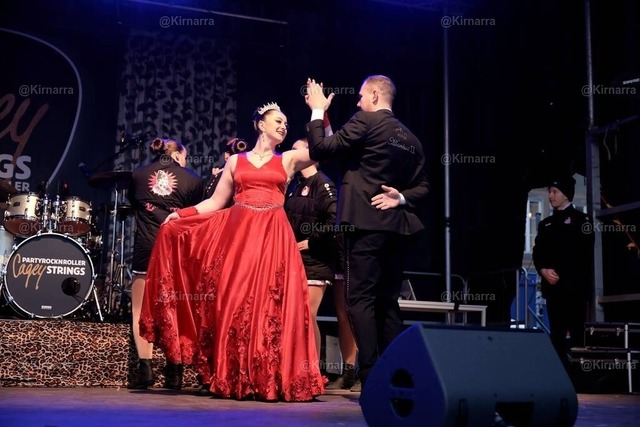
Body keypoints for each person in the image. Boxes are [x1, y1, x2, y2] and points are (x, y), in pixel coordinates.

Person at [139, 102, 324, 401]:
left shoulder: (288, 159)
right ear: (261, 125)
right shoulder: (236, 161)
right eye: (278, 121)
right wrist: (182, 214)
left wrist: (318, 112)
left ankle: (269, 378)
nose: (283, 126)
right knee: (236, 302)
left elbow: (323, 149)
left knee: (271, 305)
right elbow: (215, 202)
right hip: (240, 239)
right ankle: (235, 376)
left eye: (286, 124)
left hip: (273, 238)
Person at [304, 75, 430, 390]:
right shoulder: (411, 139)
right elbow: (424, 186)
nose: (358, 103)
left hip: (364, 225)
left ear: (374, 95)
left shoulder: (367, 120)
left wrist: (316, 109)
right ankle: (395, 375)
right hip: (396, 229)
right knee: (387, 302)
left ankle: (371, 376)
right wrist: (401, 197)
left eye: (361, 96)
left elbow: (319, 150)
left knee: (358, 299)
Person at [126, 137, 203, 389]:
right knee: (176, 310)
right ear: (178, 155)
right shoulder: (193, 180)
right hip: (176, 252)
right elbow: (197, 214)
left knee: (139, 309)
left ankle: (145, 369)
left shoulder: (138, 175)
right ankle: (174, 371)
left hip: (146, 249)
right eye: (185, 156)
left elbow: (135, 203)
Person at [284, 137, 359, 392]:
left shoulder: (324, 184)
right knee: (299, 315)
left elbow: (334, 220)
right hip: (296, 259)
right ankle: (299, 371)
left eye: (296, 150)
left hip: (318, 259)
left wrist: (311, 241)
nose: (292, 155)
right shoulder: (294, 186)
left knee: (310, 314)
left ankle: (314, 372)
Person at [532, 176, 593, 369]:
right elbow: (538, 251)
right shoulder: (546, 224)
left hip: (574, 289)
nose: (550, 196)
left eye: (554, 192)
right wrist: (543, 270)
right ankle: (559, 374)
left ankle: (580, 375)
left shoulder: (582, 220)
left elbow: (583, 254)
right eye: (549, 191)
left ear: (566, 195)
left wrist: (559, 272)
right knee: (556, 335)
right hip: (554, 290)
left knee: (577, 334)